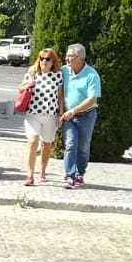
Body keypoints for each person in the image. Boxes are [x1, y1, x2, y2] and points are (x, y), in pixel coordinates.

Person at [19, 48, 65, 186]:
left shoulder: (57, 76)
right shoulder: (32, 73)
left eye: (47, 59)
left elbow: (60, 96)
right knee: (32, 142)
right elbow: (20, 88)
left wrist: (60, 114)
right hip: (33, 114)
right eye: (41, 58)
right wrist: (29, 84)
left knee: (46, 144)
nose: (44, 61)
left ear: (53, 61)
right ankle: (29, 175)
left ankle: (43, 171)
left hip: (50, 115)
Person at [58, 43, 101, 188]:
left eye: (70, 56)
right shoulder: (64, 71)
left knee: (83, 147)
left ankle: (79, 173)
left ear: (80, 58)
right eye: (67, 55)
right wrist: (62, 112)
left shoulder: (91, 75)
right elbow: (46, 71)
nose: (66, 58)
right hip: (68, 116)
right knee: (70, 144)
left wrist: (73, 111)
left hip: (87, 115)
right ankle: (69, 176)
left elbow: (92, 99)